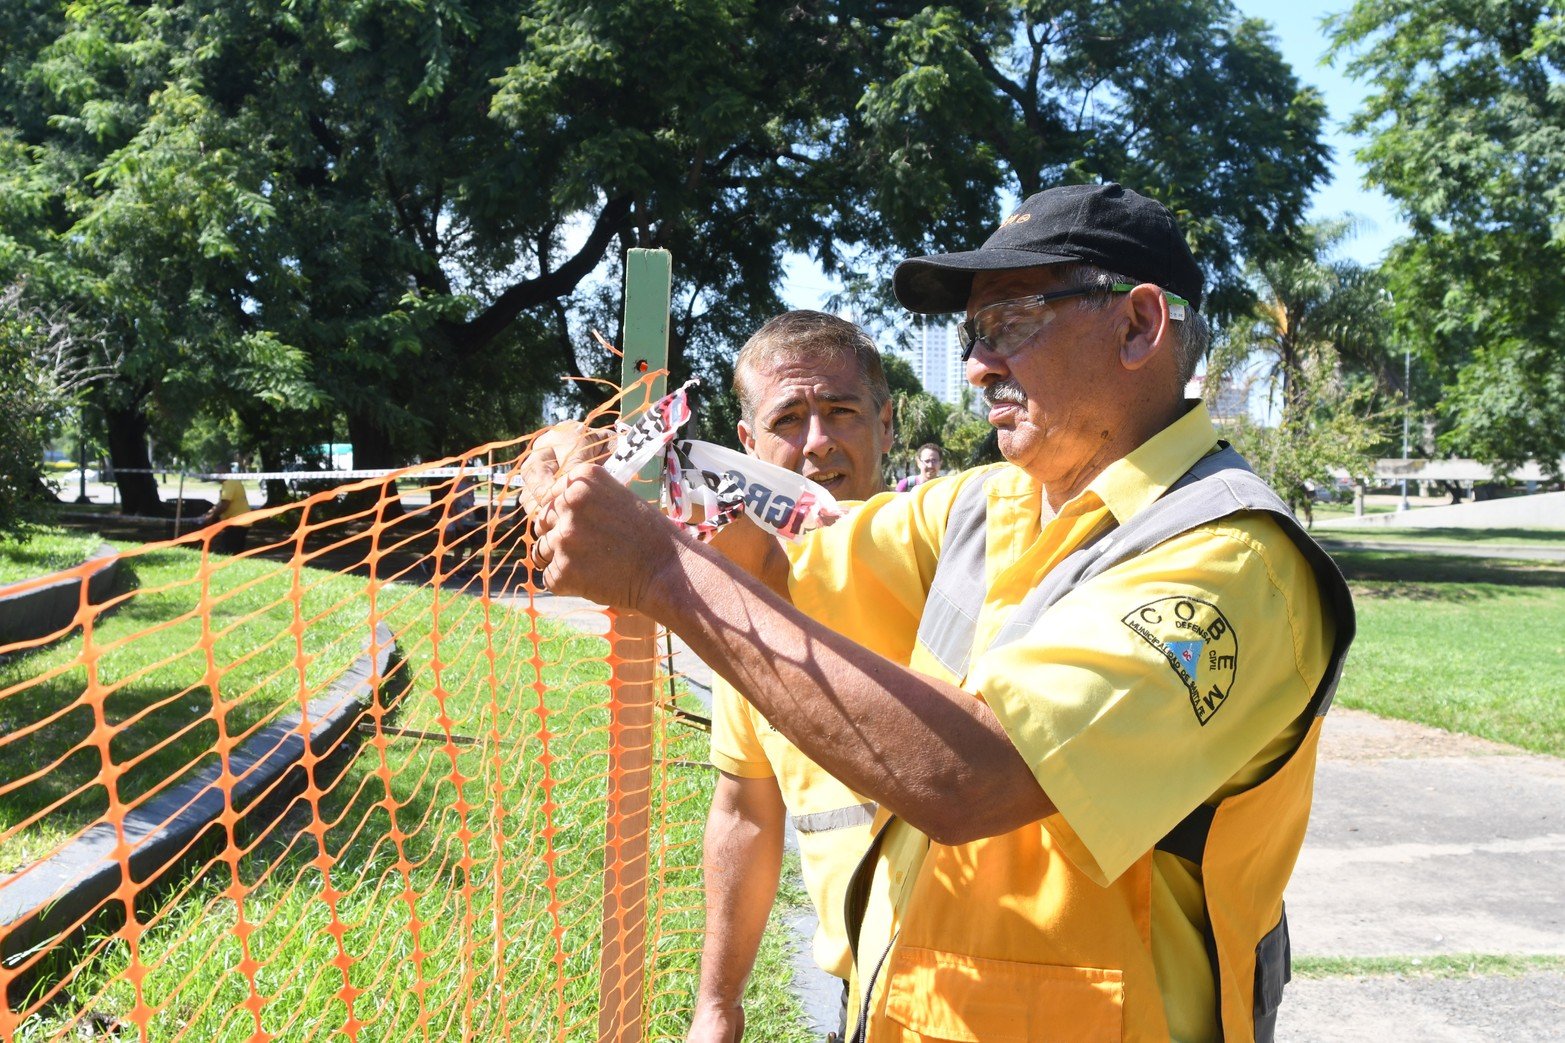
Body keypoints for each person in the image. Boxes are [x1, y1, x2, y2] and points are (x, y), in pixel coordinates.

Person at [524, 183, 1354, 1043]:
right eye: (974, 334)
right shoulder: (987, 504)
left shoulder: (1230, 562)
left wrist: (661, 572)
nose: (976, 366)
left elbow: (971, 778)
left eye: (1012, 322)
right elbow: (777, 561)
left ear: (1139, 325)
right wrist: (606, 471)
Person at [692, 311, 894, 1043]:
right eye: (789, 417)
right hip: (862, 985)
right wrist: (717, 1004)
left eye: (841, 411)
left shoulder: (954, 559)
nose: (817, 443)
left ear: (887, 425)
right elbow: (745, 808)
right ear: (747, 446)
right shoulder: (746, 598)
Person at [197, 472, 250, 554]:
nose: (216, 477)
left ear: (223, 473)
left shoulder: (229, 483)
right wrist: (209, 513)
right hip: (240, 521)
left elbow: (224, 505)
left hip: (237, 523)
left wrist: (212, 517)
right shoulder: (233, 482)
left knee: (230, 551)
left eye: (217, 474)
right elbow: (221, 503)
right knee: (235, 550)